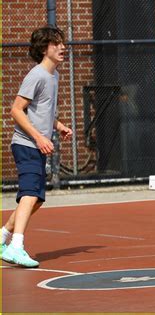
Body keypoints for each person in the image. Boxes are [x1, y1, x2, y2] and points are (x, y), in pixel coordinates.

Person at [1, 26, 73, 268]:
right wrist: (39, 138)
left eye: (63, 43)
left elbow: (42, 111)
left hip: (36, 145)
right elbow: (16, 110)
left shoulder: (54, 76)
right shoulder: (37, 75)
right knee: (29, 195)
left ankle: (2, 237)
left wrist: (58, 125)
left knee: (37, 199)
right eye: (57, 44)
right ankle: (16, 246)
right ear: (44, 48)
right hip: (26, 144)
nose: (63, 47)